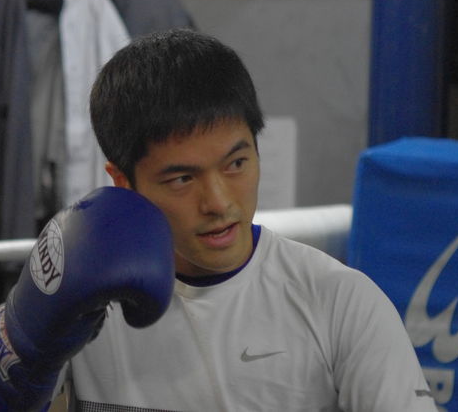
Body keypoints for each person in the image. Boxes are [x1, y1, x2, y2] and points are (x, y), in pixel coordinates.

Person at [56, 29, 437, 411]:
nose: (219, 203)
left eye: (236, 163)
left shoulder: (341, 302)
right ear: (123, 181)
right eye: (183, 179)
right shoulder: (83, 304)